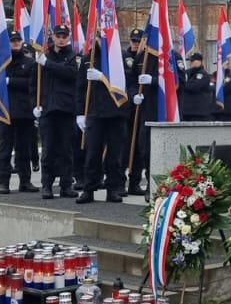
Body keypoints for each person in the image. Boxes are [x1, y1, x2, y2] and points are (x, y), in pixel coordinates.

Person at [78, 40, 131, 204]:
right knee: (92, 153)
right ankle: (89, 189)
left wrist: (102, 77)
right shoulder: (89, 58)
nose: (101, 38)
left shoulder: (119, 57)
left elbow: (127, 80)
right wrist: (79, 113)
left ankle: (113, 189)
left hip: (116, 112)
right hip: (94, 112)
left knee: (114, 155)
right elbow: (80, 87)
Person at [35, 25, 81, 199]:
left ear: (68, 38)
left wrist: (48, 64)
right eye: (58, 35)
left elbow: (70, 73)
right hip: (48, 109)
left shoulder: (73, 57)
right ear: (52, 37)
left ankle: (66, 185)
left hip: (66, 109)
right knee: (48, 150)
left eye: (64, 36)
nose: (61, 38)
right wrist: (36, 104)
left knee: (66, 150)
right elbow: (35, 84)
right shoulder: (44, 57)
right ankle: (46, 185)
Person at [0, 32, 39, 193]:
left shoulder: (29, 62)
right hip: (4, 110)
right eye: (12, 41)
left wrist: (11, 81)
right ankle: (4, 181)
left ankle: (25, 181)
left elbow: (32, 82)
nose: (15, 43)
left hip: (24, 111)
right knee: (4, 150)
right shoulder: (0, 62)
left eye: (17, 41)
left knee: (24, 149)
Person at [124, 29, 158, 195]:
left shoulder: (168, 57)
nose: (141, 43)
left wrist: (154, 81)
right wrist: (133, 95)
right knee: (140, 147)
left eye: (144, 40)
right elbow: (131, 81)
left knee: (153, 149)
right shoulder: (139, 58)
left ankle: (153, 186)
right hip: (141, 109)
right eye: (139, 40)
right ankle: (135, 182)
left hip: (159, 111)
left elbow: (176, 82)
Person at [178, 53, 216, 122]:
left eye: (193, 61)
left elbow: (194, 87)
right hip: (187, 110)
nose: (191, 63)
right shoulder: (188, 73)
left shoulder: (202, 74)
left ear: (200, 61)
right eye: (190, 61)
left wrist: (183, 84)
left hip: (198, 111)